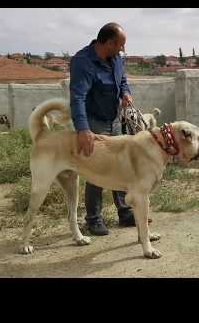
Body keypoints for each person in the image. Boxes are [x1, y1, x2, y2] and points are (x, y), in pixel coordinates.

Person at [69, 22, 136, 236]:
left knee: (121, 166)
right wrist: (83, 129)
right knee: (96, 170)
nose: (123, 50)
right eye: (121, 45)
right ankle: (93, 219)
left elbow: (122, 80)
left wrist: (125, 93)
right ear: (109, 43)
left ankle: (125, 213)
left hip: (114, 120)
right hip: (93, 122)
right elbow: (77, 97)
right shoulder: (83, 61)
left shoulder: (117, 59)